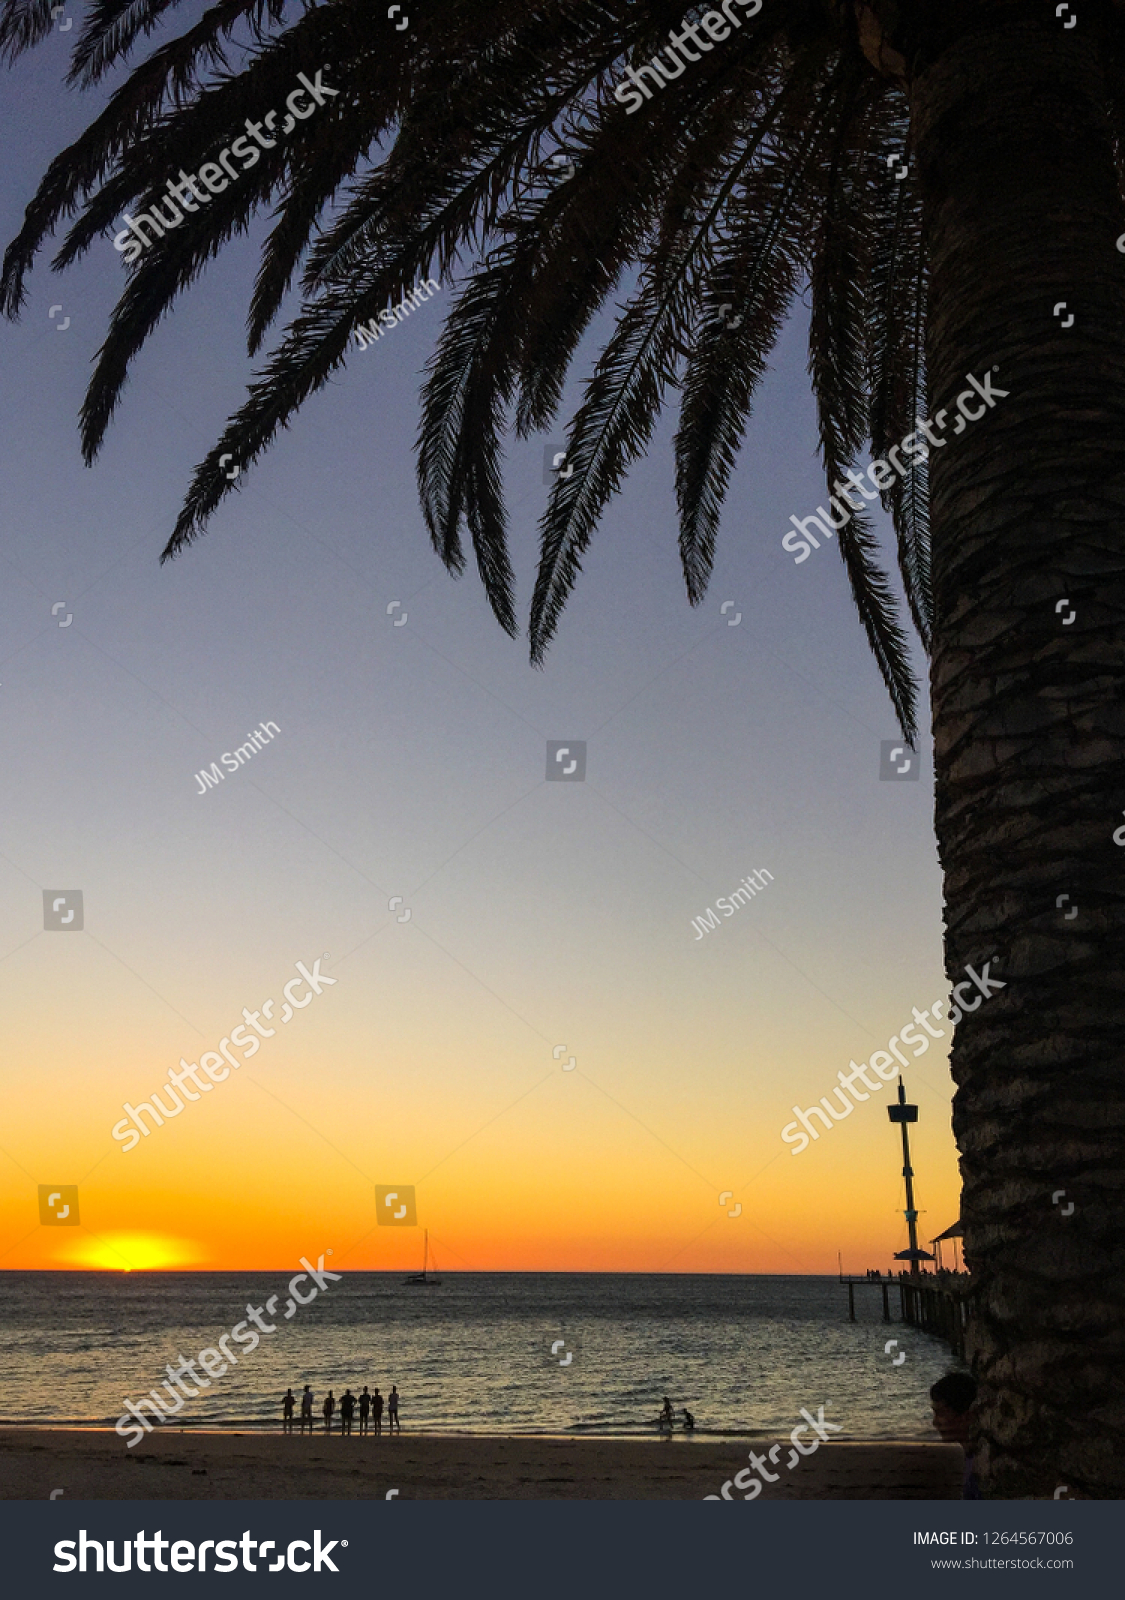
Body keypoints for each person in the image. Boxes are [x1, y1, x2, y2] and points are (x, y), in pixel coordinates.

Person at [930, 1372, 980, 1499]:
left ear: (967, 1417)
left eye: (941, 1413)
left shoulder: (977, 1470)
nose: (935, 1423)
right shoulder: (964, 1461)